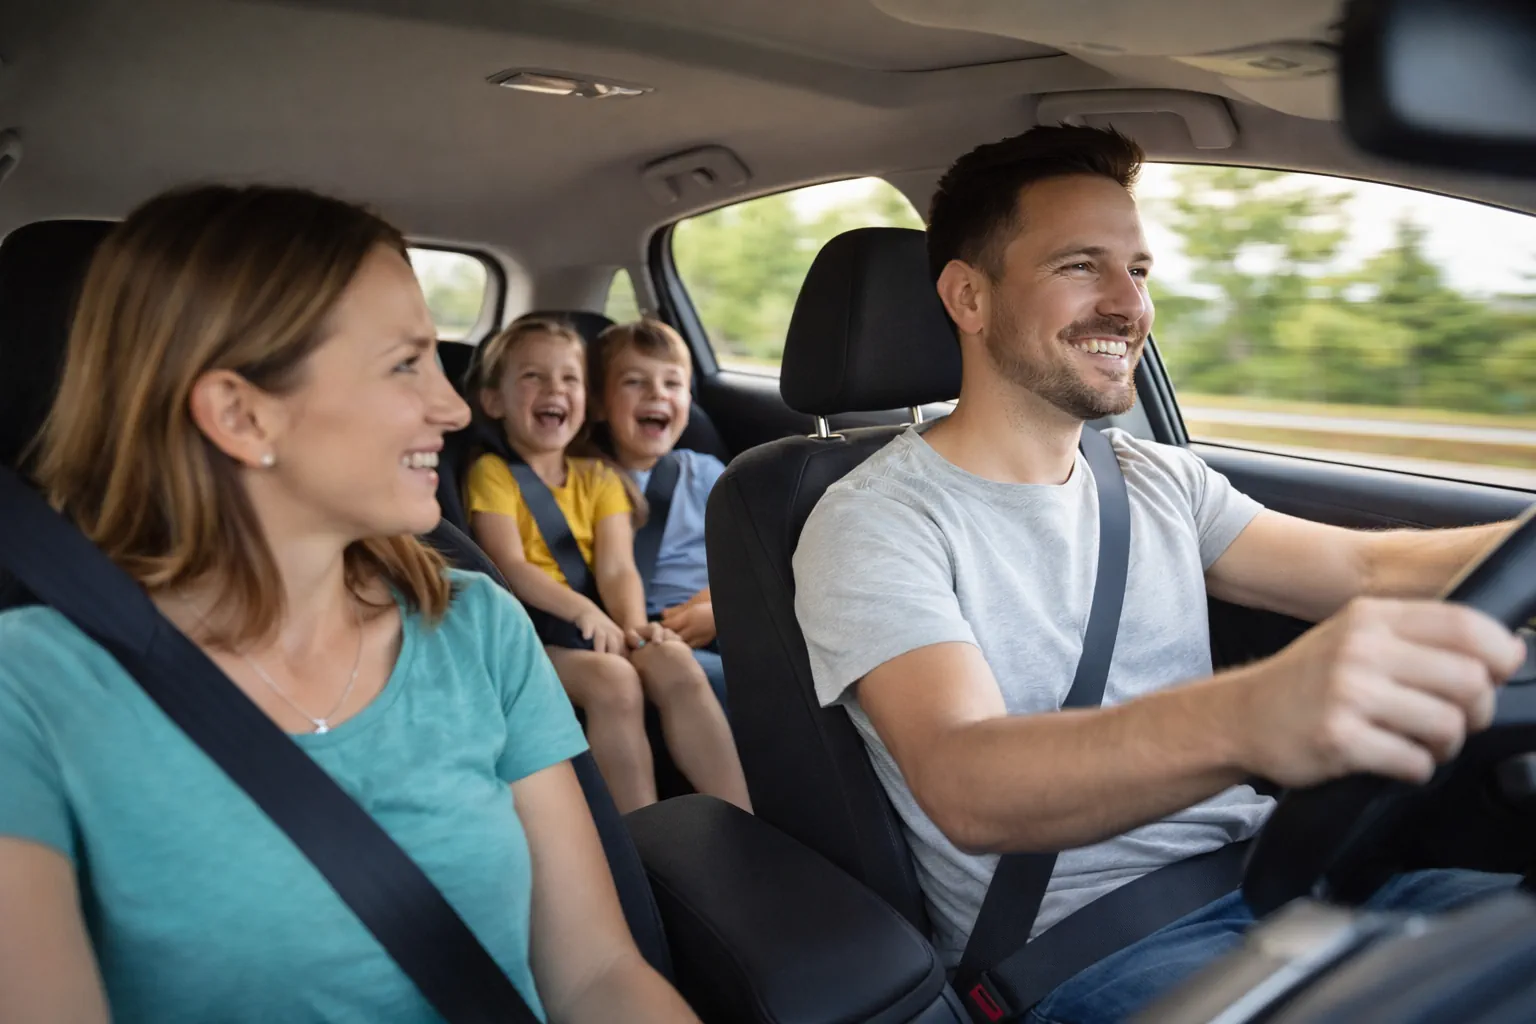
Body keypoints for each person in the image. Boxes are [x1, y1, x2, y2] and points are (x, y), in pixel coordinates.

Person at [792, 124, 1525, 1022]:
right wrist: (1254, 714)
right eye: (1079, 266)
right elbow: (964, 777)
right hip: (1091, 952)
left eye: (1136, 271)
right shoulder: (875, 519)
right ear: (969, 298)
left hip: (1283, 885)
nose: (1127, 305)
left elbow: (1363, 565)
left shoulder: (1154, 477)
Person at [0, 185, 701, 1024]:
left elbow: (595, 976)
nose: (449, 407)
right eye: (406, 363)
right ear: (241, 414)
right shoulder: (31, 696)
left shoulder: (474, 627)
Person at [465, 318, 749, 815]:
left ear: (584, 396)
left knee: (672, 659)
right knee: (614, 679)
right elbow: (507, 563)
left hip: (601, 623)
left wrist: (637, 629)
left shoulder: (599, 478)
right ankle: (642, 833)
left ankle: (742, 817)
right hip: (538, 633)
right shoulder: (491, 475)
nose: (554, 389)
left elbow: (619, 569)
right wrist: (583, 611)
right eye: (533, 377)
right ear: (494, 401)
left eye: (569, 378)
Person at [586, 318, 728, 703]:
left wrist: (721, 609)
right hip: (659, 633)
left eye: (673, 383)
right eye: (634, 381)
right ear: (598, 403)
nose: (657, 394)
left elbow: (754, 555)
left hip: (727, 615)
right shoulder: (586, 481)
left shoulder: (703, 471)